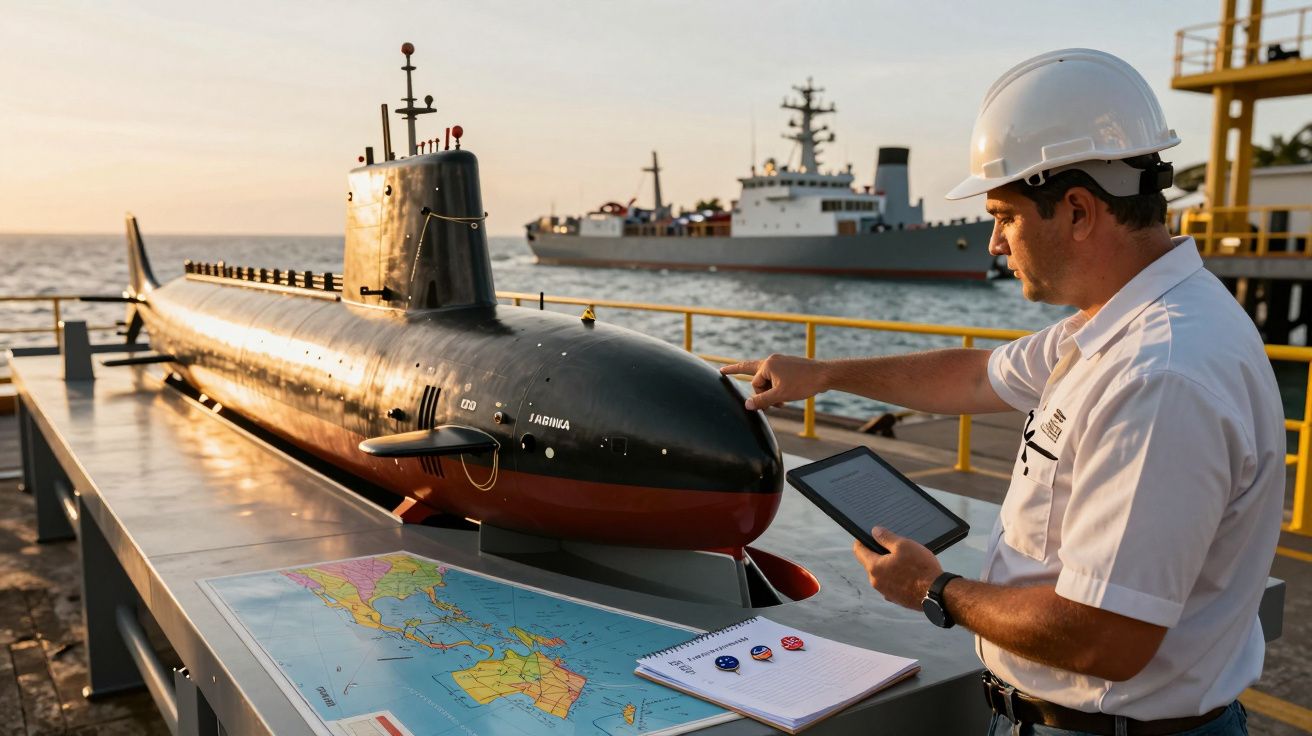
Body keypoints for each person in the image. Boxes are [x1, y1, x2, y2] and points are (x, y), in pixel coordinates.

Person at [722, 49, 1283, 736]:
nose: (991, 244)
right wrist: (827, 375)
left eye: (1004, 216)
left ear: (1077, 210)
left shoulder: (1157, 375)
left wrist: (934, 589)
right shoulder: (1124, 323)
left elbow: (1104, 639)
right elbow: (973, 374)